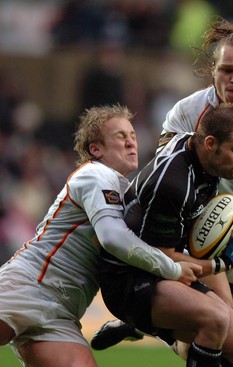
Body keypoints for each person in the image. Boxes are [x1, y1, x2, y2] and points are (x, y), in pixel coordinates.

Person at [91, 17, 233, 352]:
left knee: (204, 335)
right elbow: (166, 173)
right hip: (186, 220)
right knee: (218, 331)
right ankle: (143, 314)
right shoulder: (186, 110)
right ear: (213, 70)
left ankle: (145, 322)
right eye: (226, 70)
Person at [0, 104, 200, 367]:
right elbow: (113, 238)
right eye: (120, 136)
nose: (131, 143)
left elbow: (147, 247)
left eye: (133, 135)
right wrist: (172, 269)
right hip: (29, 286)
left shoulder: (127, 191)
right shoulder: (95, 174)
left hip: (63, 313)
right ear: (96, 149)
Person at [98, 104, 233, 367]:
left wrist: (228, 235)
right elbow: (160, 256)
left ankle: (162, 333)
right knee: (216, 320)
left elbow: (192, 227)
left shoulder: (203, 157)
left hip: (164, 262)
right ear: (210, 143)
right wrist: (220, 263)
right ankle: (146, 325)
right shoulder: (173, 184)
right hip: (130, 278)